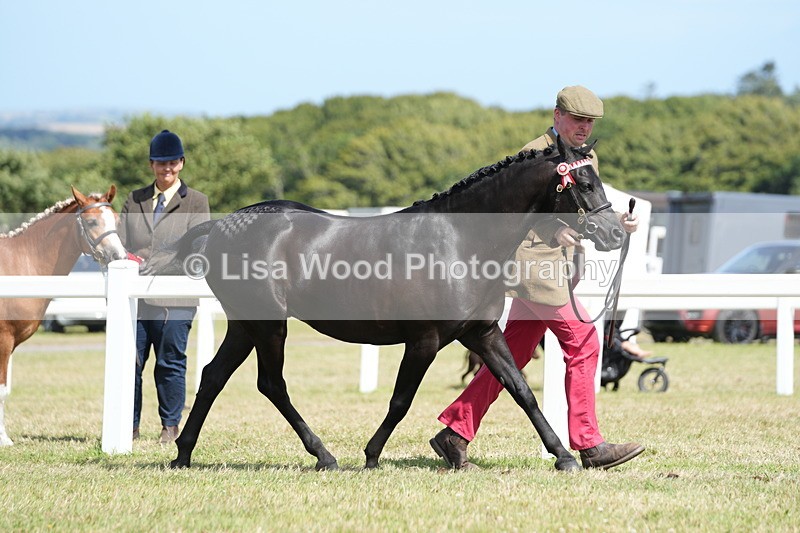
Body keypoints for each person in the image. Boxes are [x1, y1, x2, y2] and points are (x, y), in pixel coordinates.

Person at [430, 86, 645, 470]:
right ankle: (589, 444)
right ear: (557, 115)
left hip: (558, 266)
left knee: (510, 355)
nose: (584, 127)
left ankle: (455, 432)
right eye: (577, 119)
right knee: (584, 341)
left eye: (590, 122)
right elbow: (511, 216)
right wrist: (553, 230)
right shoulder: (534, 154)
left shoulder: (585, 155)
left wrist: (616, 222)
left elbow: (583, 205)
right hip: (534, 267)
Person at [119, 130, 210, 444]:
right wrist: (134, 259)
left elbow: (197, 247)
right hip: (137, 297)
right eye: (160, 162)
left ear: (181, 163)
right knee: (131, 362)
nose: (166, 168)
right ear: (151, 165)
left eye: (172, 162)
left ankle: (170, 427)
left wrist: (160, 262)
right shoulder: (135, 199)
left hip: (176, 297)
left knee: (170, 361)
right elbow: (122, 243)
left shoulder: (196, 201)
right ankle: (128, 426)